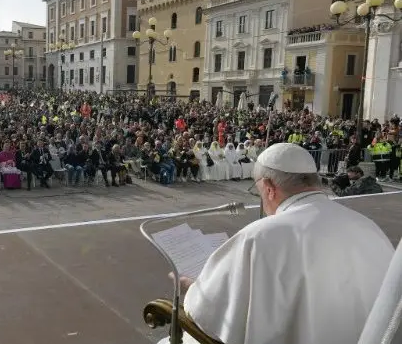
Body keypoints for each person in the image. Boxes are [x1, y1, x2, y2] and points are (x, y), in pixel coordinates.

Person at [166, 143, 394, 344]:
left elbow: (208, 314)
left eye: (259, 194)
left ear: (268, 187)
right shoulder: (368, 227)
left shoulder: (258, 238)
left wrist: (193, 288)